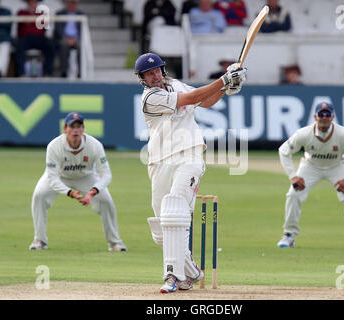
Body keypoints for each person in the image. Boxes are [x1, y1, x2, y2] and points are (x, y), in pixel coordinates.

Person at [134, 52, 246, 293]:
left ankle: (172, 276)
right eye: (148, 73)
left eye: (157, 71)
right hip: (160, 160)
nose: (154, 76)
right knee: (164, 229)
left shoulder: (175, 84)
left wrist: (226, 87)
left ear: (162, 70)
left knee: (176, 209)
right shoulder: (150, 97)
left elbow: (204, 101)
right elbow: (193, 97)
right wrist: (224, 80)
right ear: (142, 78)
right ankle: (192, 273)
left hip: (190, 155)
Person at [29, 112, 128, 252]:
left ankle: (114, 243)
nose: (75, 130)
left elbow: (106, 175)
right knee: (39, 195)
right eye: (71, 127)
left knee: (106, 201)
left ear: (83, 129)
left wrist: (93, 192)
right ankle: (39, 240)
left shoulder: (95, 145)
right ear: (65, 129)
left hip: (86, 177)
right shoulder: (54, 146)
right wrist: (70, 193)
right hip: (60, 175)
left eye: (79, 126)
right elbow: (52, 178)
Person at [277, 102, 344, 250]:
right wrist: (293, 176)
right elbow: (283, 151)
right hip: (310, 165)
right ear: (315, 117)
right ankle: (289, 235)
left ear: (332, 117)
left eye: (327, 114)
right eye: (321, 114)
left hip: (337, 165)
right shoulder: (304, 133)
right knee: (293, 194)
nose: (324, 117)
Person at [15, 0, 55, 77]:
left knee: (50, 45)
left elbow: (44, 28)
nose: (33, 4)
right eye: (31, 2)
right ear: (27, 3)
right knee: (19, 46)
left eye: (34, 2)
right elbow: (21, 25)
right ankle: (21, 73)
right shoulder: (21, 12)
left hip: (39, 38)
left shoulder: (42, 13)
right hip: (25, 38)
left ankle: (48, 73)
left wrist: (31, 20)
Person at [53, 0, 85, 78]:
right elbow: (58, 29)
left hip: (76, 38)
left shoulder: (81, 14)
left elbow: (83, 30)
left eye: (74, 3)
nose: (72, 5)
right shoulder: (59, 13)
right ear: (67, 3)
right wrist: (65, 38)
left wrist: (75, 38)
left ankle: (81, 72)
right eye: (71, 2)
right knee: (63, 46)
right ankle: (64, 72)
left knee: (81, 47)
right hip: (64, 38)